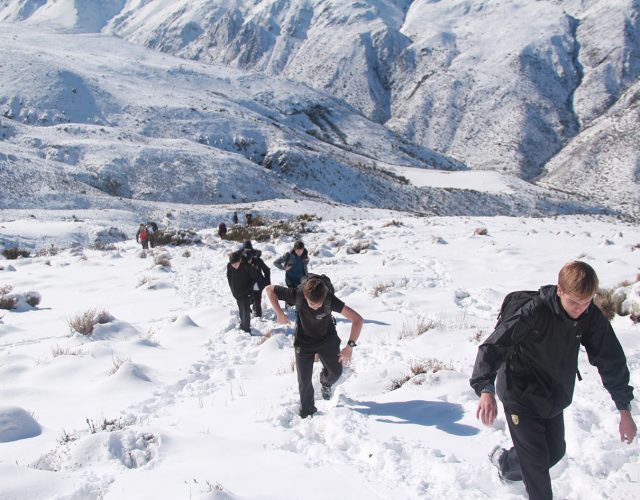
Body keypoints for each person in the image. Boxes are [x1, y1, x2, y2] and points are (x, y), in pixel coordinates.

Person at [470, 261, 636, 500]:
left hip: (553, 393)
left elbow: (611, 360)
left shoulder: (589, 316)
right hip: (520, 393)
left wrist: (624, 408)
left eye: (587, 302)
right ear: (560, 290)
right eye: (574, 302)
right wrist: (485, 388)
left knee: (554, 453)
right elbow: (494, 346)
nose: (580, 309)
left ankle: (505, 463)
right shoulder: (533, 312)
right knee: (536, 466)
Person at [265, 275, 363, 418]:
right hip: (303, 342)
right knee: (304, 381)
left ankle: (325, 382)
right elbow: (269, 290)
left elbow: (358, 319)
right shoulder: (297, 295)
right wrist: (279, 313)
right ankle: (308, 413)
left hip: (327, 340)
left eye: (319, 304)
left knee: (335, 373)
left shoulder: (329, 300)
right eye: (312, 304)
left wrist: (349, 347)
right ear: (305, 296)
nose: (317, 307)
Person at [226, 250, 259, 334]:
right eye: (233, 264)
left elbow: (255, 278)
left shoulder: (246, 267)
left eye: (236, 263)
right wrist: (233, 290)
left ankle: (246, 329)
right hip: (237, 293)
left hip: (246, 292)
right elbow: (229, 278)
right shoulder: (229, 266)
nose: (235, 266)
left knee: (246, 311)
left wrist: (249, 290)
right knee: (241, 310)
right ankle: (243, 325)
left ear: (240, 260)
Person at [274, 240, 309, 306]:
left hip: (301, 279)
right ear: (294, 249)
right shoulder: (288, 255)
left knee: (301, 296)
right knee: (292, 298)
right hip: (290, 279)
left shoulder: (305, 255)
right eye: (297, 250)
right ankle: (288, 302)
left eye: (301, 250)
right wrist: (284, 268)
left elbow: (304, 265)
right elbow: (275, 262)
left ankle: (299, 309)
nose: (299, 252)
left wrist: (306, 275)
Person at [242, 240, 270, 317]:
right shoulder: (242, 261)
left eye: (249, 249)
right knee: (249, 299)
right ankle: (251, 308)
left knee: (257, 299)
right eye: (245, 249)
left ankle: (258, 316)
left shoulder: (258, 260)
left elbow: (267, 270)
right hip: (247, 284)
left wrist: (267, 282)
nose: (247, 250)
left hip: (258, 282)